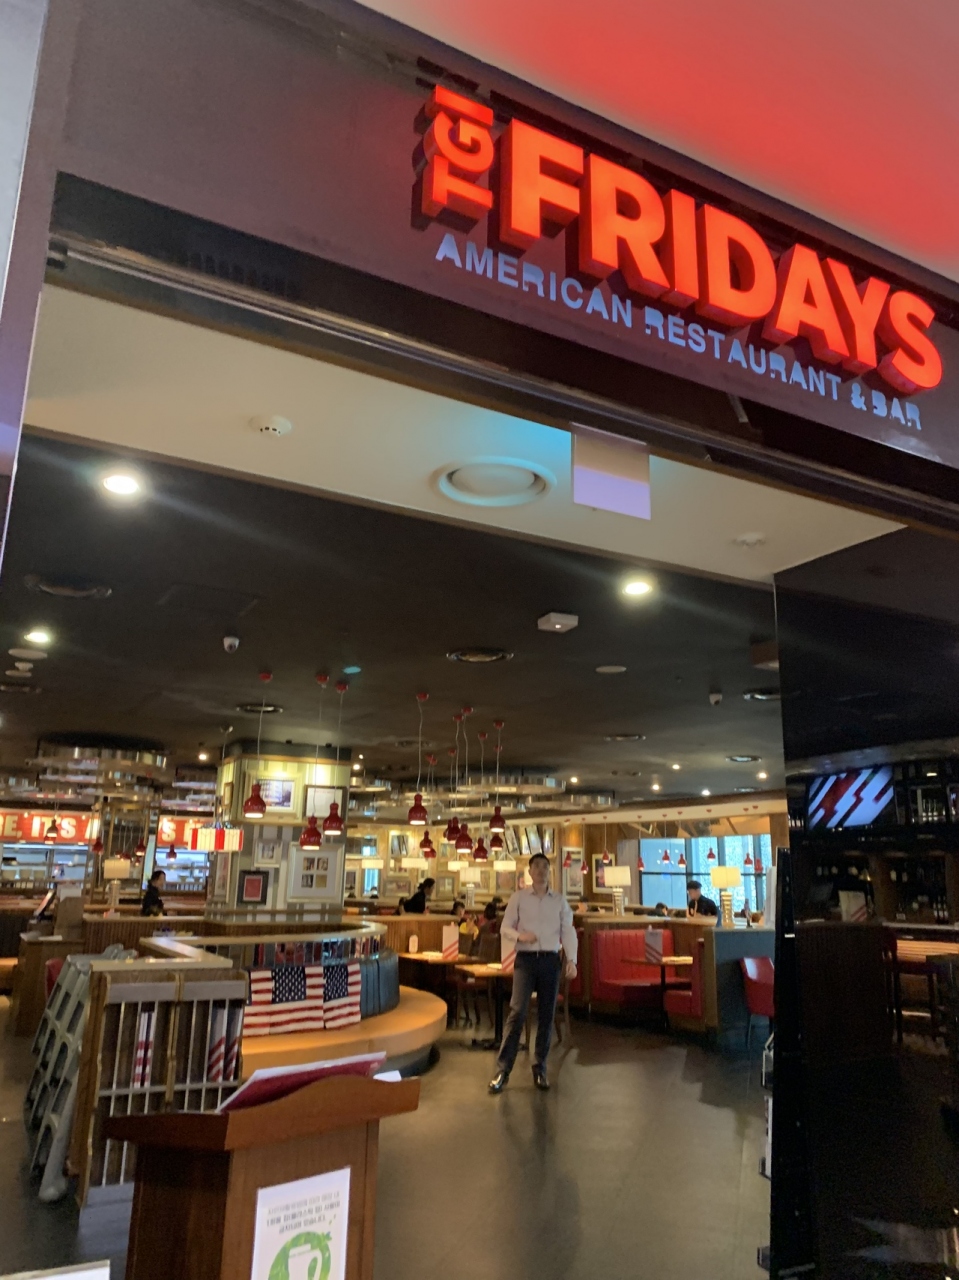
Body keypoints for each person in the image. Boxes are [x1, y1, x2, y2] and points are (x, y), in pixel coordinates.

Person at [488, 853, 578, 1095]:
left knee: (547, 1015)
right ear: (529, 872)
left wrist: (572, 959)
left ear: (549, 871)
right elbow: (505, 928)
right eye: (536, 866)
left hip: (550, 960)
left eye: (544, 866)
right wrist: (521, 936)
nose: (540, 870)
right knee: (517, 1012)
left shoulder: (559, 901)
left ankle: (540, 1068)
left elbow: (568, 931)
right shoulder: (518, 898)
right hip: (525, 961)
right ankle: (502, 1070)